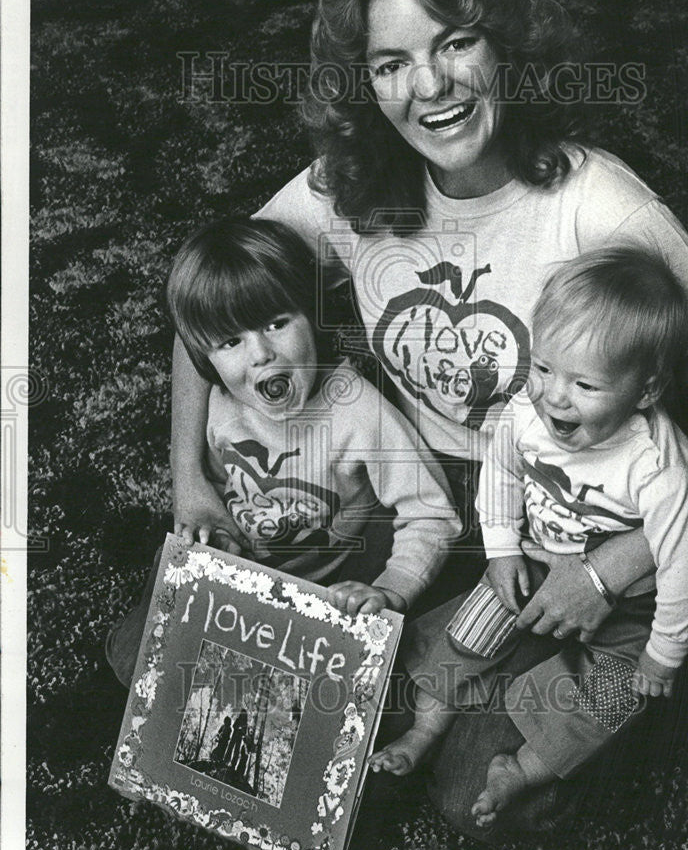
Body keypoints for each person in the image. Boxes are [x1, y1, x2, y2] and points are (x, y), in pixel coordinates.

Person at [170, 0, 688, 837]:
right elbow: (208, 305)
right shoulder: (350, 183)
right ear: (365, 84)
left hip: (567, 522)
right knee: (172, 655)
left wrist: (610, 572)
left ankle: (680, 673)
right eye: (390, 63)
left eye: (456, 44)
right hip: (421, 490)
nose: (429, 87)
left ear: (506, 50)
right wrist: (192, 476)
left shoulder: (599, 202)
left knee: (467, 797)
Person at [370, 247, 688, 830]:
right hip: (532, 565)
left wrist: (665, 653)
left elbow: (684, 565)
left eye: (584, 384)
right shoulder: (525, 416)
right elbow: (499, 475)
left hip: (632, 606)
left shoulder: (659, 467)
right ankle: (426, 728)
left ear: (647, 391)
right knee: (467, 636)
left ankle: (523, 767)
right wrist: (501, 549)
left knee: (609, 695)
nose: (554, 396)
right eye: (544, 368)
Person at [105, 215, 460, 687]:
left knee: (353, 700)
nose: (260, 354)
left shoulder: (358, 410)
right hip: (242, 586)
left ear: (312, 317)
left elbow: (434, 514)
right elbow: (217, 492)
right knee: (134, 662)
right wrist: (220, 541)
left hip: (331, 589)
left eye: (276, 323)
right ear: (202, 357)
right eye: (230, 342)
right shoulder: (216, 405)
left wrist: (391, 591)